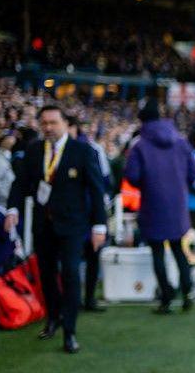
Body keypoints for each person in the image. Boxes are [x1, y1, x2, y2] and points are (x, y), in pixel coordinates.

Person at [5, 105, 107, 354]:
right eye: (44, 123)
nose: (48, 128)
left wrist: (99, 225)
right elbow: (20, 183)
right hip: (43, 225)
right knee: (47, 274)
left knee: (71, 273)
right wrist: (12, 209)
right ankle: (53, 318)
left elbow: (96, 190)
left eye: (53, 122)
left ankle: (70, 331)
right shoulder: (34, 150)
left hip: (73, 225)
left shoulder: (82, 151)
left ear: (65, 124)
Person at [124, 100, 195, 314]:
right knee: (178, 249)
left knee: (157, 253)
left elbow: (132, 175)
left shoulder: (139, 145)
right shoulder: (180, 141)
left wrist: (149, 183)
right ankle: (187, 291)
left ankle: (166, 297)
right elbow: (193, 173)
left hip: (152, 204)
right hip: (177, 205)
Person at [67, 116, 108, 313]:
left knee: (91, 255)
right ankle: (75, 299)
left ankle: (88, 298)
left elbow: (103, 183)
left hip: (89, 213)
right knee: (72, 259)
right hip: (71, 214)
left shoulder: (92, 149)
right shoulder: (53, 152)